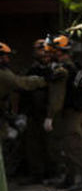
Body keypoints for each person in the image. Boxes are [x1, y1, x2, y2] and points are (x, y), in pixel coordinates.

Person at [45, 34, 82, 189]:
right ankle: (70, 177)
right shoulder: (72, 66)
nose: (48, 53)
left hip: (71, 112)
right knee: (67, 145)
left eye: (51, 50)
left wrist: (50, 116)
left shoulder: (62, 70)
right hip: (72, 111)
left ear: (58, 51)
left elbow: (57, 97)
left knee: (74, 143)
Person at [1, 41, 47, 175]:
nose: (7, 59)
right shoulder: (3, 74)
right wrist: (45, 79)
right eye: (5, 56)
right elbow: (21, 83)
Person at [18, 40, 58, 182]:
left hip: (50, 114)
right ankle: (37, 174)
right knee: (33, 145)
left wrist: (52, 114)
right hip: (33, 113)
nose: (43, 53)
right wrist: (22, 114)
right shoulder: (31, 70)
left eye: (45, 50)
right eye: (39, 49)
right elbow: (24, 93)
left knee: (52, 145)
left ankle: (54, 173)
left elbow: (57, 94)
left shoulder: (56, 70)